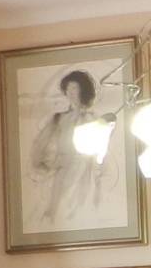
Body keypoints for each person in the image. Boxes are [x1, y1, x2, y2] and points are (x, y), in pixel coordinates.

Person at [29, 69, 108, 227]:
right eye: (68, 88)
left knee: (80, 206)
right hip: (62, 166)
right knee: (56, 206)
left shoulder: (93, 118)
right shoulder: (59, 117)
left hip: (84, 168)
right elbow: (42, 141)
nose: (71, 92)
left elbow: (101, 147)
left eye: (75, 88)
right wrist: (44, 162)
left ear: (83, 90)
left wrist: (99, 166)